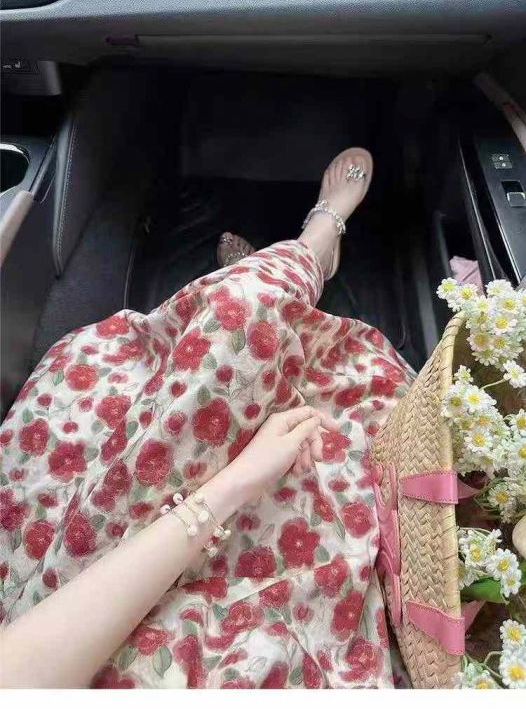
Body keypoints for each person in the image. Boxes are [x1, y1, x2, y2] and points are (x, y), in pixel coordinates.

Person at [0, 148, 413, 689]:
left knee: (237, 327)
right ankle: (310, 250)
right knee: (246, 327)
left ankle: (303, 259)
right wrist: (237, 483)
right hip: (222, 633)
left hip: (56, 585)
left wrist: (231, 485)